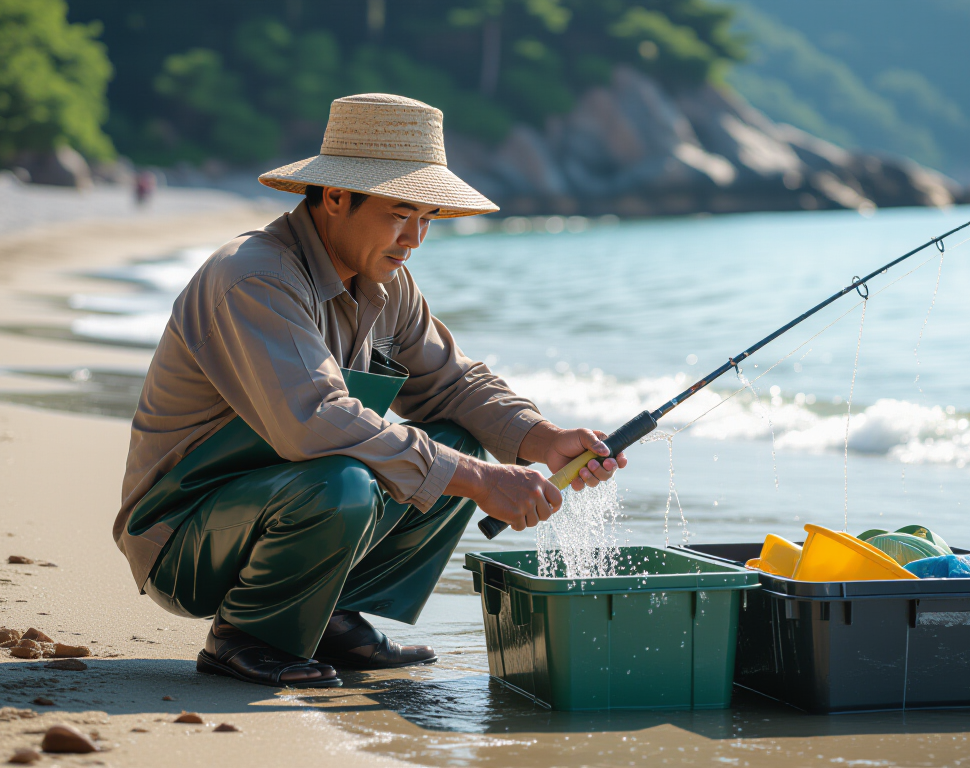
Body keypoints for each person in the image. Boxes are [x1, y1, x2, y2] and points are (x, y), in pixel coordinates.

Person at [114, 94, 626, 688]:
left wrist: (544, 438)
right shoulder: (255, 276)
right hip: (179, 538)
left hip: (275, 501)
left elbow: (453, 384)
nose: (415, 238)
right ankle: (248, 635)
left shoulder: (387, 283)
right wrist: (482, 481)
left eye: (427, 217)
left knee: (459, 440)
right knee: (349, 483)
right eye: (400, 214)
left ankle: (328, 617)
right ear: (335, 197)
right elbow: (315, 419)